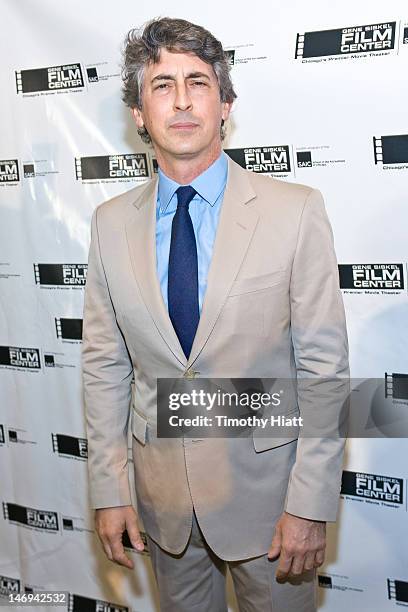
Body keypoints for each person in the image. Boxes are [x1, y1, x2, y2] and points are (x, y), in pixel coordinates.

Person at [81, 16, 349, 612]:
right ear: (138, 114)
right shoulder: (108, 223)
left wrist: (309, 503)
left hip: (271, 504)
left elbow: (324, 372)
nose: (181, 101)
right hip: (163, 507)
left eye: (198, 83)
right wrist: (110, 487)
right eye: (161, 84)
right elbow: (105, 366)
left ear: (225, 104)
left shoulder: (295, 211)